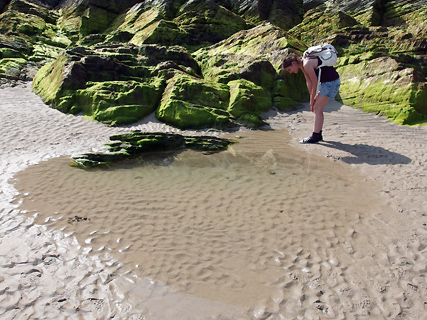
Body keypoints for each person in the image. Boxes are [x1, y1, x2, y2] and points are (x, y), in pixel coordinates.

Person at [282, 53, 340, 144]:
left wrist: (314, 97)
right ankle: (318, 134)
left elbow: (315, 82)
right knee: (317, 108)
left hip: (330, 83)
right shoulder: (302, 64)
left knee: (317, 108)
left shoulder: (306, 64)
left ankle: (316, 136)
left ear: (293, 63)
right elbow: (308, 82)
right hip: (326, 83)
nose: (290, 72)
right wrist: (311, 99)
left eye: (289, 69)